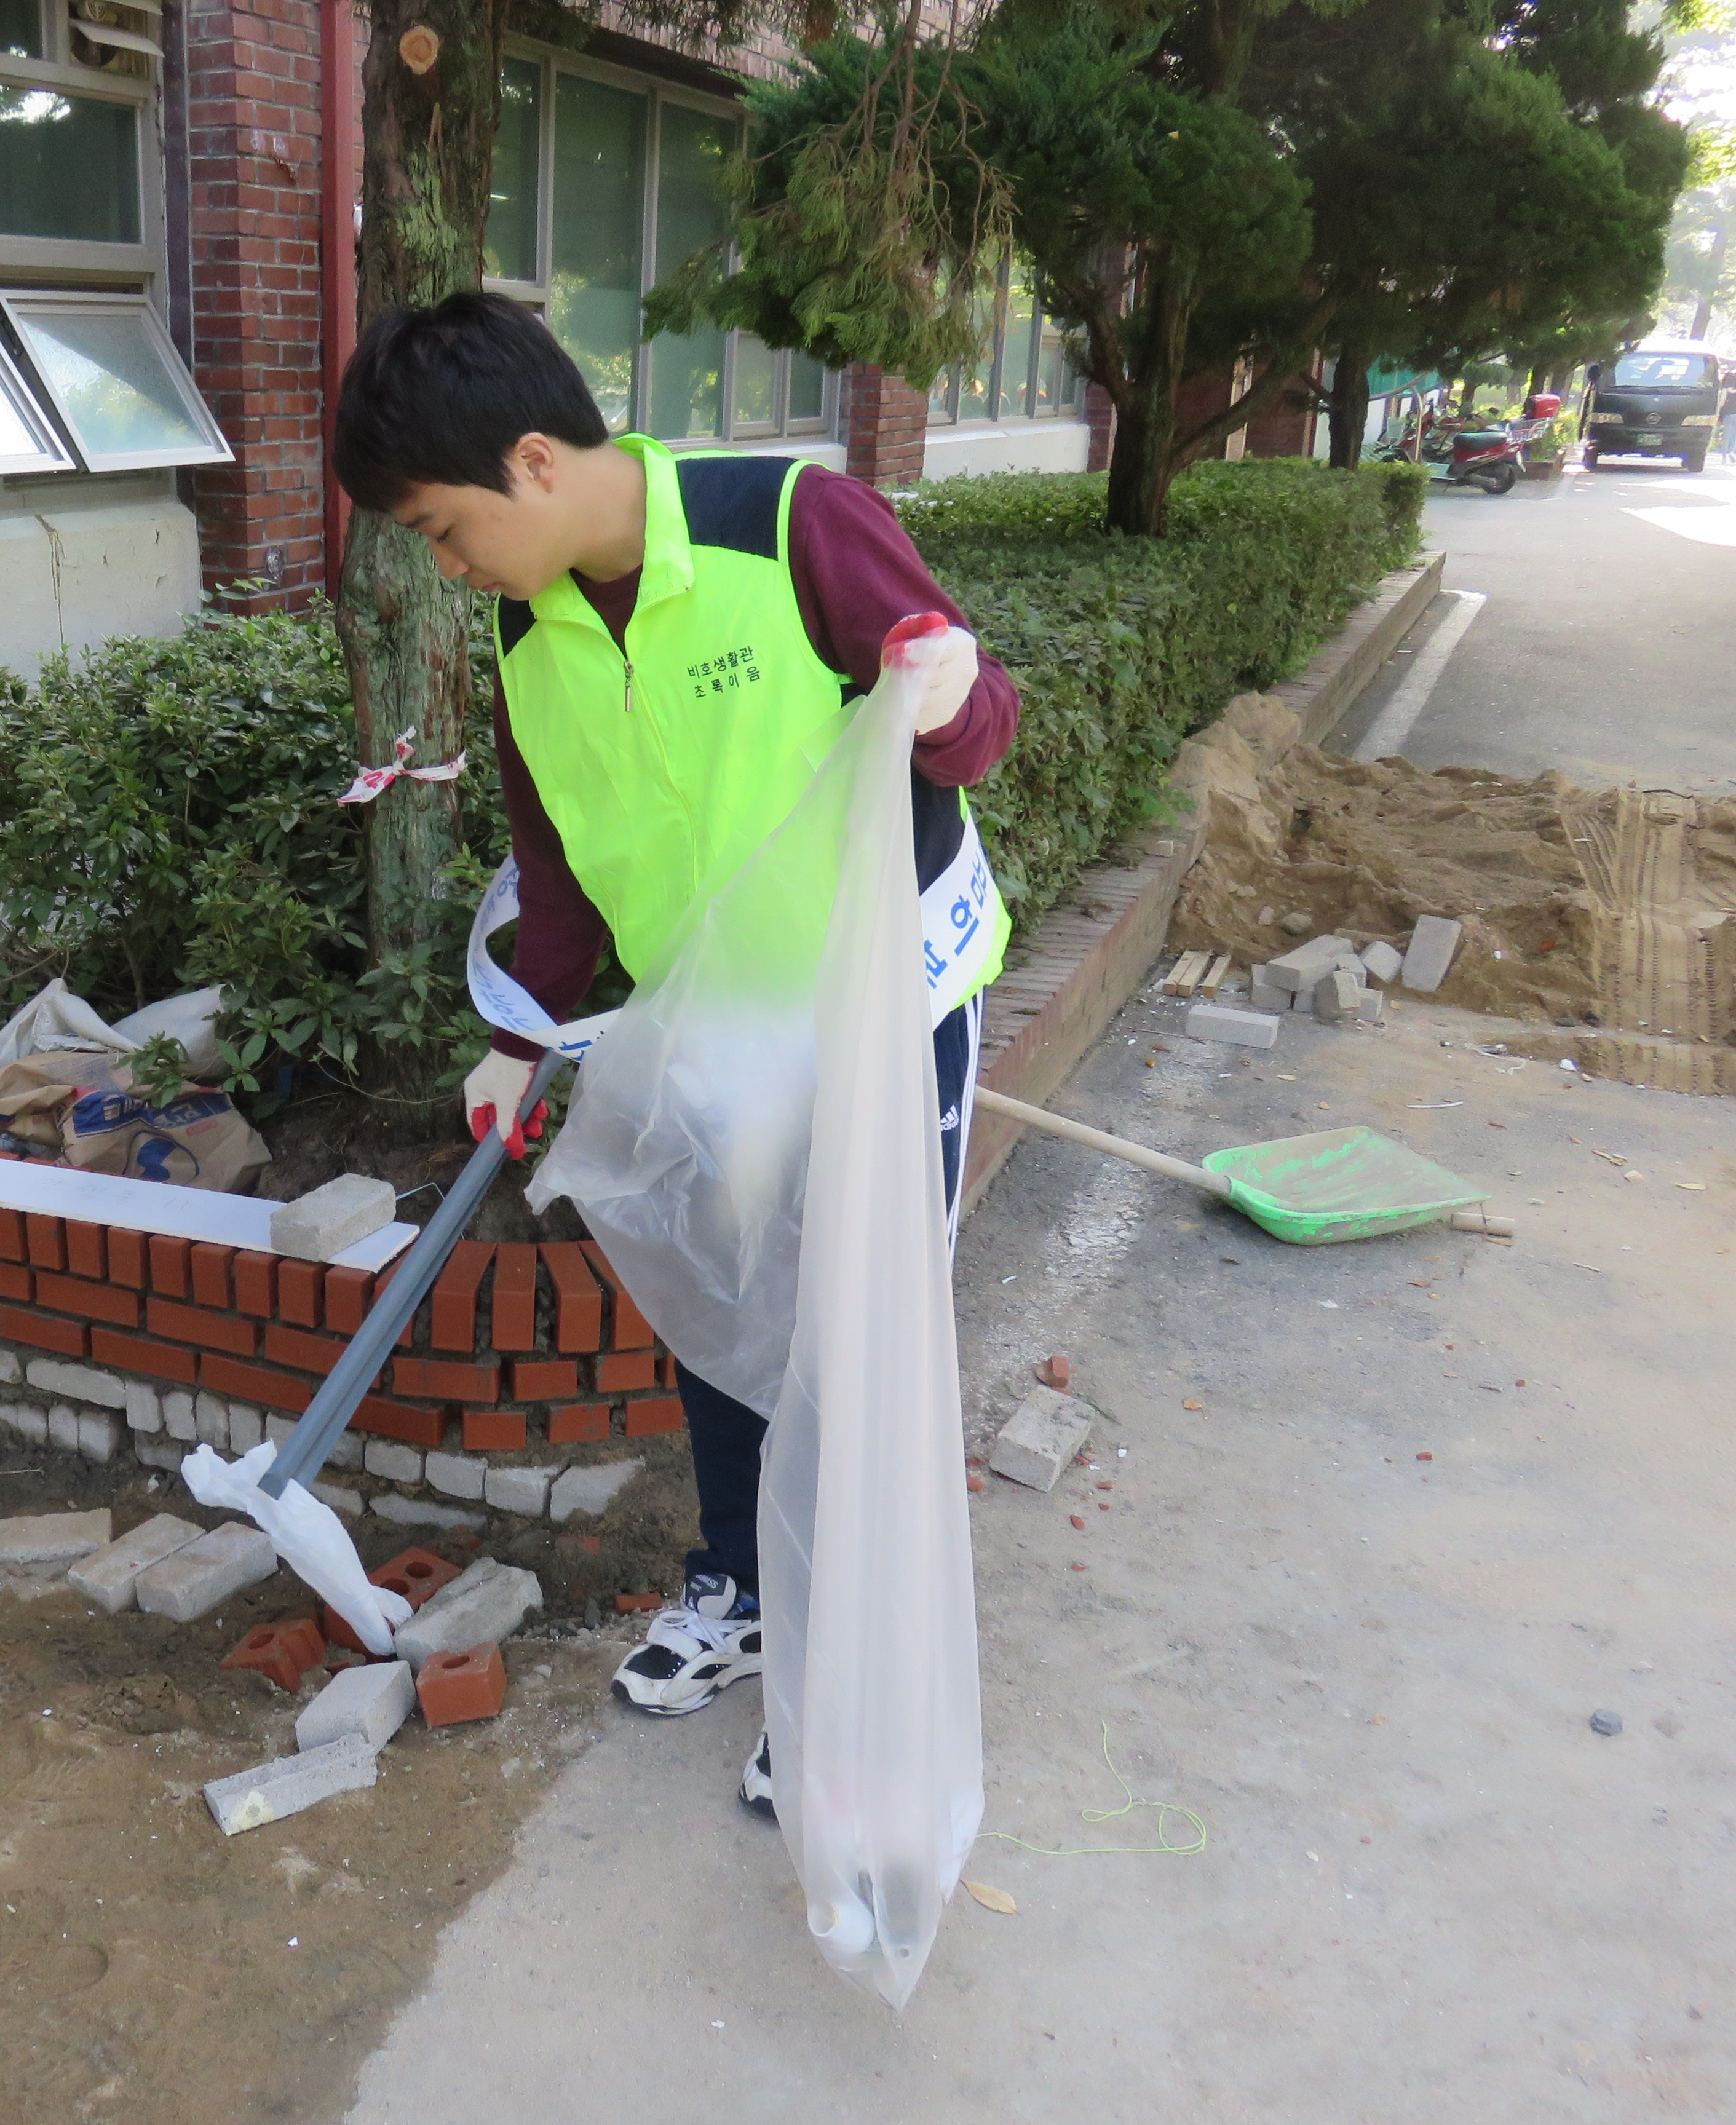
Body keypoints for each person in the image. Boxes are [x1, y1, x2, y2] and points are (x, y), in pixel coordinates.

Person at [331, 293, 1019, 1816]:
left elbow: (972, 719)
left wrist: (949, 693)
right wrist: (520, 1035)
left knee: (857, 1337)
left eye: (443, 528)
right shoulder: (532, 628)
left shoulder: (789, 523)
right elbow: (560, 860)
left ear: (532, 462)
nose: (448, 566)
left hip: (882, 1010)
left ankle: (844, 1671)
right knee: (724, 1312)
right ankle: (745, 1583)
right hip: (711, 1031)